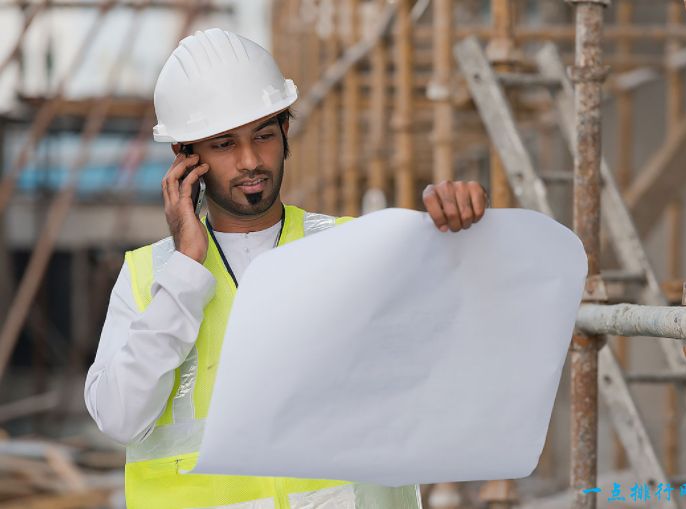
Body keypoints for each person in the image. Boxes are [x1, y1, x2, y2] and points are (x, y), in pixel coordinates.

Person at [85, 28, 488, 509]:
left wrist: (459, 237)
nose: (251, 161)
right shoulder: (149, 275)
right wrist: (186, 270)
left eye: (263, 136)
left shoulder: (349, 246)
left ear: (285, 132)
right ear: (185, 156)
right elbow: (120, 418)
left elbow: (454, 341)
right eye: (224, 144)